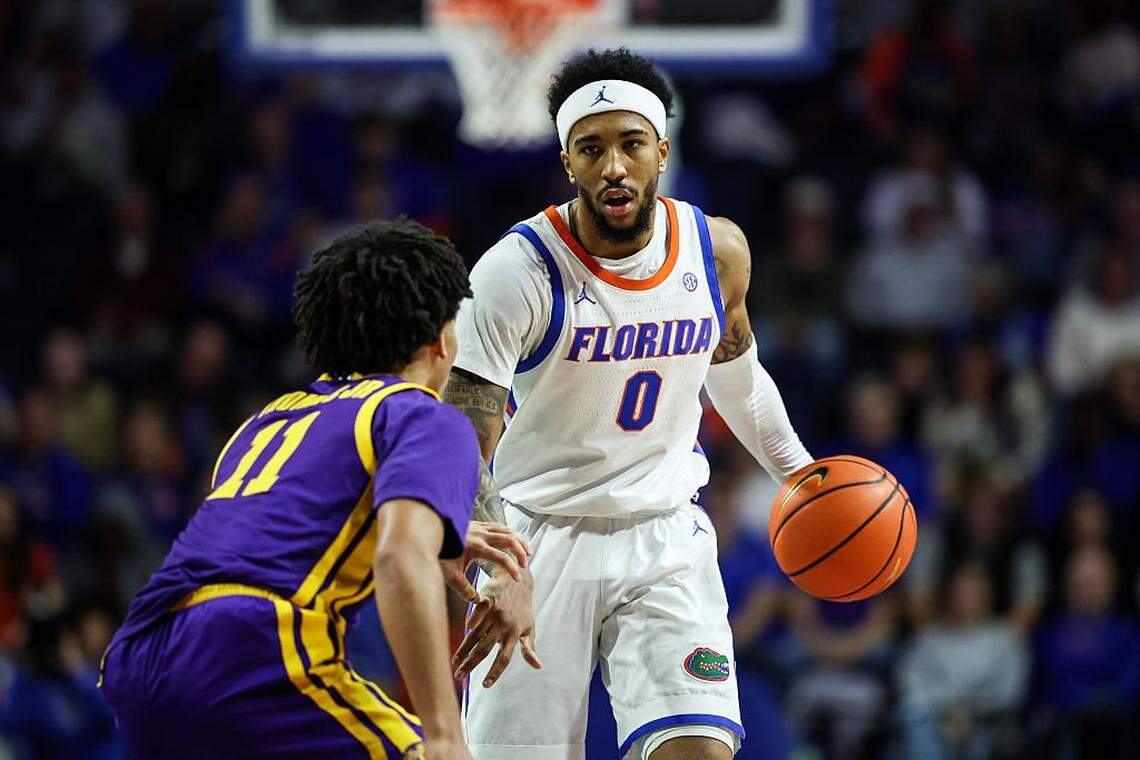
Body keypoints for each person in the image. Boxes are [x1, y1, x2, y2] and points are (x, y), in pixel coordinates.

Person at [447, 48, 814, 760]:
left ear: (661, 151)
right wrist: (500, 574)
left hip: (664, 535)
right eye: (592, 148)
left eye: (630, 143)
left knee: (699, 751)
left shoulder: (716, 252)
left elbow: (735, 375)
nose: (613, 165)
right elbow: (462, 443)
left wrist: (800, 473)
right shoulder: (513, 272)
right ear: (569, 163)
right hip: (538, 538)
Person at [99, 219, 531, 759]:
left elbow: (272, 529)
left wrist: (438, 526)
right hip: (254, 643)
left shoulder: (267, 421)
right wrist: (443, 731)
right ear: (440, 340)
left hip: (143, 655)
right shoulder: (424, 414)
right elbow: (399, 557)